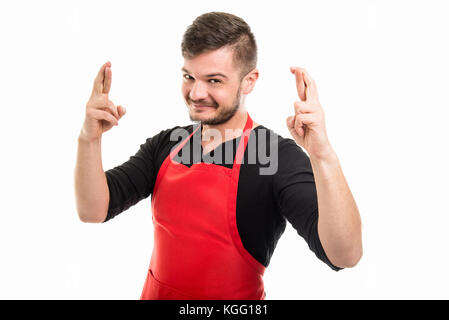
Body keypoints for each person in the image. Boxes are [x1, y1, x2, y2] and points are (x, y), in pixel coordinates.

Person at [74, 11, 362, 300]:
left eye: (214, 80)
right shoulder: (167, 144)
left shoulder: (273, 156)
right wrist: (89, 138)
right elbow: (93, 210)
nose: (197, 93)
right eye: (189, 76)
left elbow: (344, 255)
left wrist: (322, 155)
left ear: (249, 81)